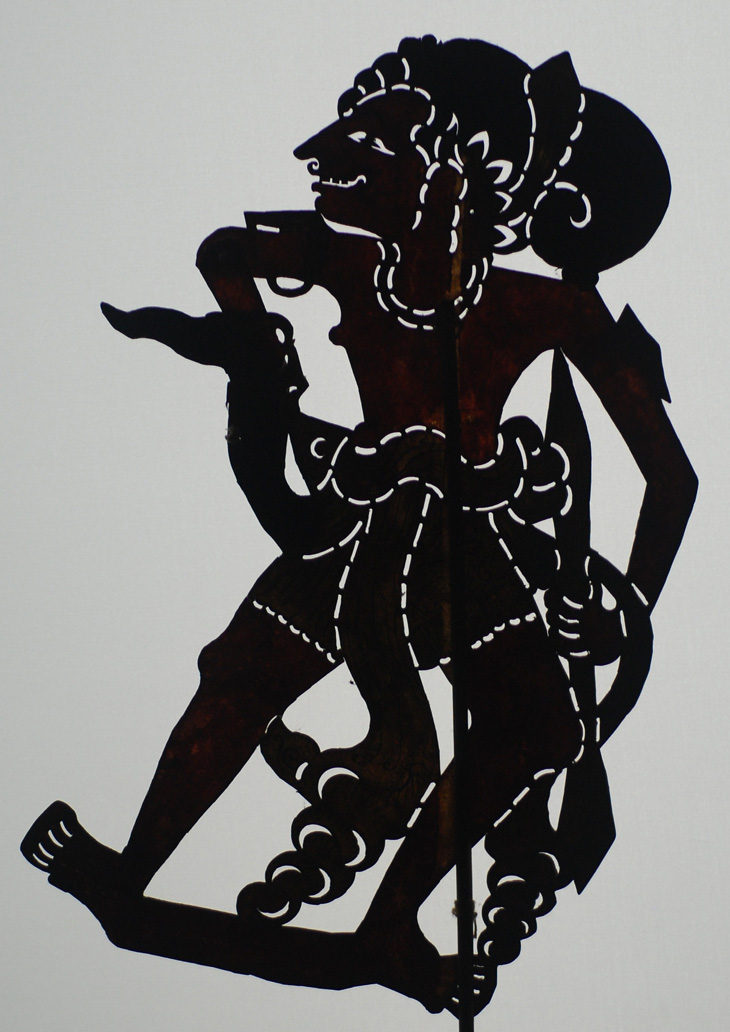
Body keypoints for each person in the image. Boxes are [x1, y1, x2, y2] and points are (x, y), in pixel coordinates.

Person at [22, 37, 696, 1014]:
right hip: (348, 532)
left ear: (452, 168)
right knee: (240, 680)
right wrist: (267, 357)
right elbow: (223, 252)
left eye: (368, 141)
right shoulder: (346, 262)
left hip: (466, 557)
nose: (320, 152)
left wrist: (623, 598)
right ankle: (132, 874)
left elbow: (669, 478)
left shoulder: (542, 306)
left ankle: (391, 926)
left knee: (539, 726)